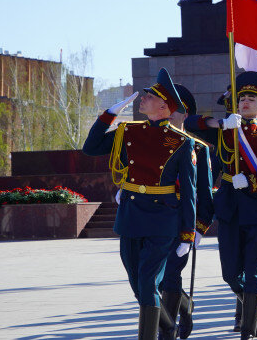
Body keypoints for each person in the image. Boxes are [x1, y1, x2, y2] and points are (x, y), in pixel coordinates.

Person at [82, 68, 196, 340]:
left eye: (150, 95)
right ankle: (168, 326)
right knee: (138, 284)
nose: (142, 98)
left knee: (147, 281)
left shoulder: (181, 143)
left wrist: (188, 234)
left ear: (164, 106)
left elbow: (189, 191)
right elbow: (91, 147)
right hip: (132, 215)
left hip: (162, 219)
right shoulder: (128, 132)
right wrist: (108, 114)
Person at [185, 71, 257, 340]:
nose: (245, 101)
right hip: (229, 207)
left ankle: (249, 328)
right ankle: (251, 310)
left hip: (256, 209)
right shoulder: (225, 130)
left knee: (253, 272)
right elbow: (190, 123)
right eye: (242, 97)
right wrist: (219, 123)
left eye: (252, 98)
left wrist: (252, 181)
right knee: (230, 274)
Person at [157, 84, 215, 340]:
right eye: (167, 106)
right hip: (154, 218)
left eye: (177, 109)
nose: (170, 113)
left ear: (185, 114)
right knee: (157, 278)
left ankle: (165, 331)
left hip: (183, 221)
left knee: (170, 275)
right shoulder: (153, 144)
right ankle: (185, 305)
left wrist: (199, 227)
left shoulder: (198, 148)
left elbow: (204, 192)